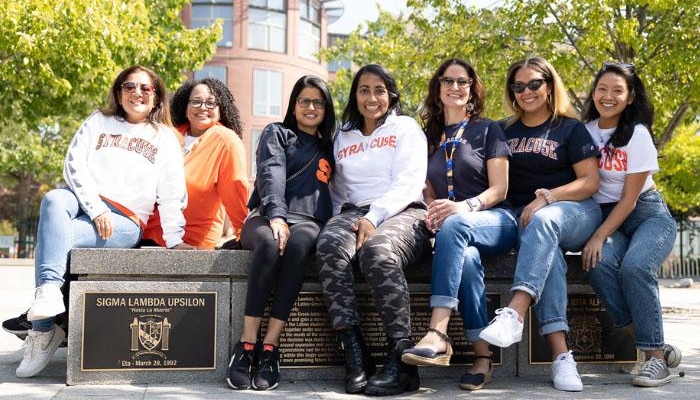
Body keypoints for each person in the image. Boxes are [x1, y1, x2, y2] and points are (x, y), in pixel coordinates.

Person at [14, 65, 190, 379]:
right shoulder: (99, 120)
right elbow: (74, 164)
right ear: (119, 91)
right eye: (129, 86)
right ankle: (49, 296)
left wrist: (174, 237)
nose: (137, 92)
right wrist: (95, 209)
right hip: (83, 203)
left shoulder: (164, 137)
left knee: (54, 235)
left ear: (156, 97)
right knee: (53, 199)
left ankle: (43, 329)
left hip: (124, 219)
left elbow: (171, 191)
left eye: (145, 88)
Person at [477, 57, 601, 392]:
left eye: (535, 84)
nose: (527, 91)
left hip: (575, 211)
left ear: (549, 86)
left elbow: (590, 182)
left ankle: (515, 312)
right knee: (552, 261)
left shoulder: (569, 128)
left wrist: (547, 197)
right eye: (519, 86)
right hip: (526, 220)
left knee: (544, 220)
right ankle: (562, 358)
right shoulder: (502, 130)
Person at [400, 59, 517, 391]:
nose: (455, 87)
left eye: (462, 82)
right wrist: (434, 217)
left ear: (472, 88)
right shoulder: (427, 138)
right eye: (447, 81)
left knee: (456, 226)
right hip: (455, 232)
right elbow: (426, 192)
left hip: (496, 220)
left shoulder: (488, 129)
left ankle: (438, 331)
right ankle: (483, 356)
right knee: (464, 259)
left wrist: (462, 208)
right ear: (438, 89)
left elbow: (500, 189)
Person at [316, 64, 432, 396]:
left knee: (377, 251)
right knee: (328, 246)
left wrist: (375, 216)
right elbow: (338, 190)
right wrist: (341, 224)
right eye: (364, 90)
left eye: (379, 90)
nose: (371, 97)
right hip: (354, 212)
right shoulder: (343, 135)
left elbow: (409, 183)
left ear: (391, 95)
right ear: (355, 95)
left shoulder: (405, 128)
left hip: (403, 211)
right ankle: (355, 353)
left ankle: (403, 361)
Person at [226, 75, 336, 391]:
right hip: (266, 218)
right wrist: (277, 216)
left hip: (310, 223)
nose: (311, 107)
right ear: (294, 104)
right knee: (272, 244)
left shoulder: (330, 146)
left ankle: (271, 347)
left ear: (326, 109)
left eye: (318, 102)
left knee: (300, 246)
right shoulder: (278, 133)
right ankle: (247, 346)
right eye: (304, 101)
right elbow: (270, 173)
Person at [580, 61, 681, 387]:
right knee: (598, 263)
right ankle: (657, 346)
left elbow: (629, 200)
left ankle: (654, 361)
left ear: (630, 96)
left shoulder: (637, 135)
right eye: (602, 89)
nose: (608, 96)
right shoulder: (584, 132)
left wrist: (597, 235)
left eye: (617, 91)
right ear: (594, 92)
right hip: (610, 218)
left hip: (646, 215)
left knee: (636, 267)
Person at [141, 77, 249, 249]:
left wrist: (245, 233)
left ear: (221, 109)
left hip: (191, 243)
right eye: (196, 102)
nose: (203, 108)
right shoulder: (168, 136)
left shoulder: (226, 141)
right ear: (185, 107)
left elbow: (236, 188)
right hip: (147, 234)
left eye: (210, 103)